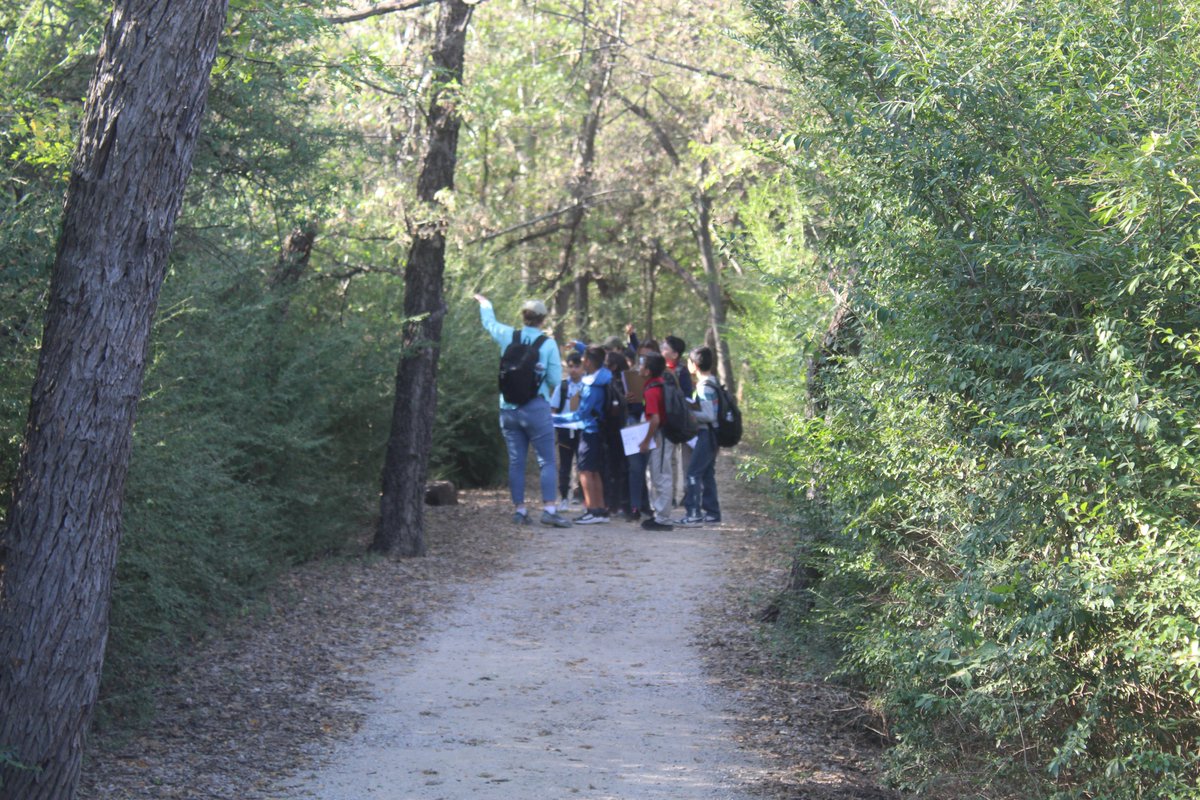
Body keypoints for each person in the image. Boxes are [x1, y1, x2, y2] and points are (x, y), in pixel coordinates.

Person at [474, 294, 572, 528]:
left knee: (516, 461)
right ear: (543, 319)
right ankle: (549, 509)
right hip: (536, 407)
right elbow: (554, 378)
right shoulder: (547, 344)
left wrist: (485, 304)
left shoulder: (509, 335)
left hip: (508, 408)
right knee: (547, 460)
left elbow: (489, 323)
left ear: (523, 316)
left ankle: (520, 510)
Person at [551, 345, 612, 524]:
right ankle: (600, 510)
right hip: (599, 431)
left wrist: (555, 419)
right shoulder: (603, 378)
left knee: (585, 471)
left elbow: (580, 415)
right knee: (594, 471)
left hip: (589, 431)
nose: (582, 362)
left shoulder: (592, 386)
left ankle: (592, 510)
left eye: (585, 359)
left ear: (589, 362)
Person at [675, 345, 721, 526]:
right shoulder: (713, 381)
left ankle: (693, 513)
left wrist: (689, 413)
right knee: (707, 473)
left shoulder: (704, 387)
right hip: (712, 434)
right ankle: (712, 513)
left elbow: (709, 415)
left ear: (694, 364)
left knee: (693, 473)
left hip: (706, 433)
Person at [636, 352, 674, 531]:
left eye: (642, 365)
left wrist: (645, 441)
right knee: (659, 473)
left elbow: (655, 420)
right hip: (663, 436)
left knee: (660, 475)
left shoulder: (652, 391)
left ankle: (663, 519)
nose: (639, 368)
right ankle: (660, 515)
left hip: (661, 437)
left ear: (648, 370)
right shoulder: (659, 385)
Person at [661, 335, 693, 506]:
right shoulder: (659, 368)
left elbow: (687, 396)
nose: (661, 350)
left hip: (677, 420)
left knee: (679, 460)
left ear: (675, 354)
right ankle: (670, 496)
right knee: (667, 459)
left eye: (665, 348)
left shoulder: (682, 371)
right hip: (662, 419)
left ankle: (685, 495)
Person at [550, 351, 585, 508]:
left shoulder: (587, 386)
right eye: (570, 366)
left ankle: (582, 494)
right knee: (565, 464)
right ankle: (564, 496)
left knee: (582, 464)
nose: (573, 370)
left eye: (577, 366)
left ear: (583, 367)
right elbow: (553, 409)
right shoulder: (562, 386)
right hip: (564, 430)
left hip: (582, 430)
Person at [602, 349, 631, 519]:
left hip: (619, 429)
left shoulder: (619, 383)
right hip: (613, 429)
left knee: (618, 468)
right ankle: (615, 503)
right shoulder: (612, 382)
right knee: (615, 468)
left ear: (613, 366)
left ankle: (619, 504)